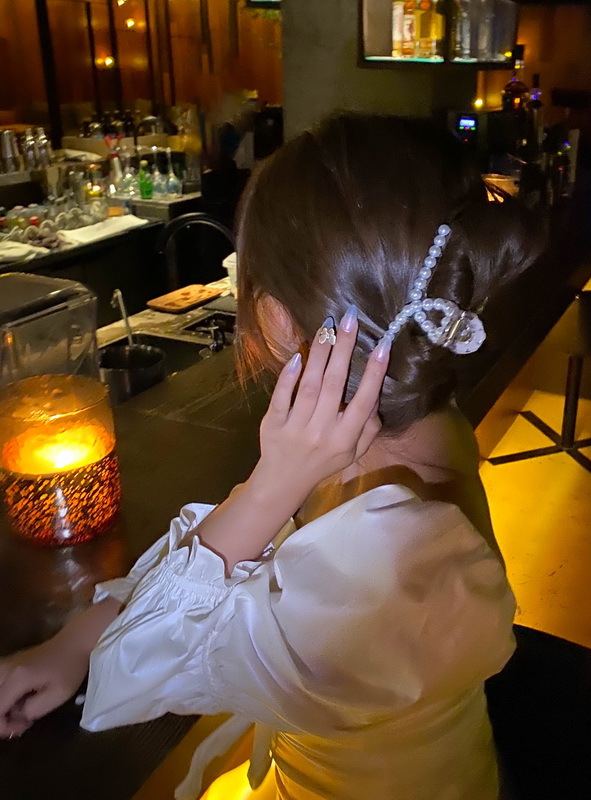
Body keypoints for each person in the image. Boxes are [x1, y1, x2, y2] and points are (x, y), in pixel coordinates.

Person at [0, 114, 540, 799]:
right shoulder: (420, 424)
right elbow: (220, 553)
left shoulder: (383, 556)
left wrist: (270, 486)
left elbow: (136, 669)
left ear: (280, 318)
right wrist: (74, 641)